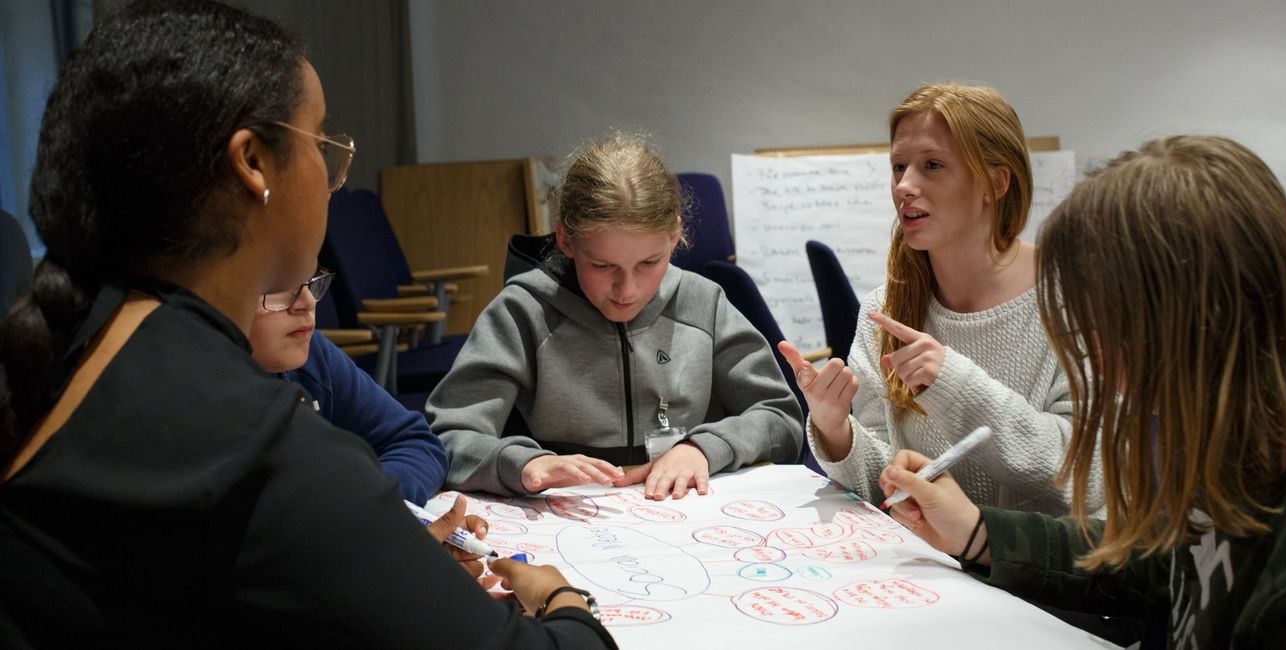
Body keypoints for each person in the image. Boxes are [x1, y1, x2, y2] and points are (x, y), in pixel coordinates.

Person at [0, 2, 615, 647]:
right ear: (253, 165)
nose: (334, 176)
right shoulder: (239, 436)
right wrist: (557, 593)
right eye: (322, 143)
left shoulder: (86, 341)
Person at [880, 135, 1286, 648]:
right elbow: (1170, 564)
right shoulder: (1246, 419)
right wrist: (978, 532)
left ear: (1183, 326)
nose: (1099, 364)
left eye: (1099, 329)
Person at [779, 83, 1102, 515]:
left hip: (1035, 575)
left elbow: (1086, 480)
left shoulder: (1072, 300)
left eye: (932, 165)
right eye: (898, 167)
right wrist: (835, 429)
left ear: (996, 182)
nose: (904, 187)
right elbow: (885, 487)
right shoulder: (887, 308)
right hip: (931, 567)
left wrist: (956, 384)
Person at [429, 132, 803, 501]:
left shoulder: (703, 303)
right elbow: (448, 438)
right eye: (603, 265)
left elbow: (781, 420)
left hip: (687, 517)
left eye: (649, 263)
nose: (627, 290)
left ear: (675, 236)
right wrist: (524, 464)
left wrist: (703, 448)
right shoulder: (522, 312)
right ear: (565, 240)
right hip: (568, 518)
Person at [249, 267, 448, 504]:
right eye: (279, 287)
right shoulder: (204, 400)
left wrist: (372, 504)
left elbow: (416, 441)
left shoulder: (313, 355)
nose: (308, 301)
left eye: (309, 281)